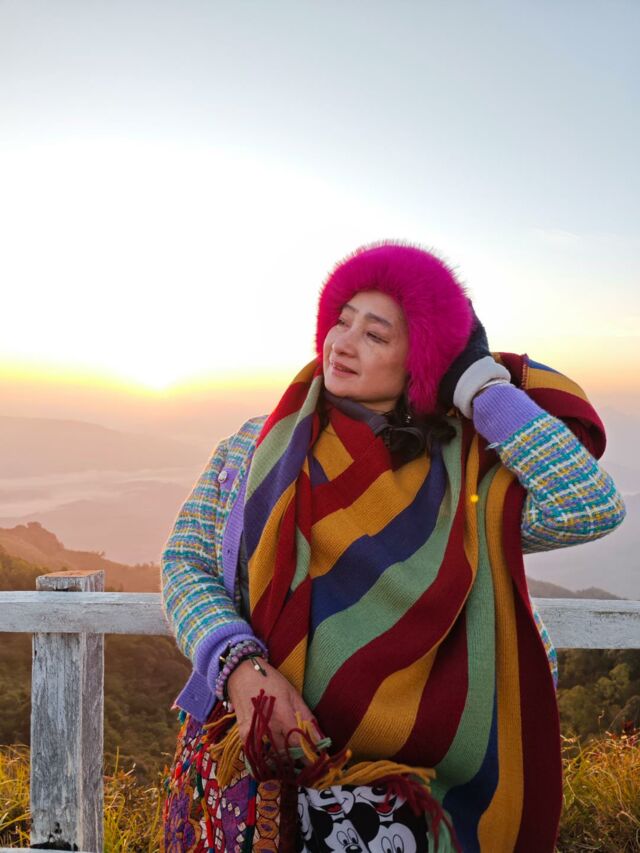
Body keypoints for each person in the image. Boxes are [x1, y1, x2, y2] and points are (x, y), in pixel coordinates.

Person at [160, 241, 626, 853]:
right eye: (342, 320)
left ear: (418, 363)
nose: (343, 342)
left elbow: (587, 506)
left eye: (376, 334)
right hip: (254, 757)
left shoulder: (462, 481)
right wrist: (240, 669)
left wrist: (480, 387)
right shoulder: (256, 447)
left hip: (407, 793)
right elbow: (186, 564)